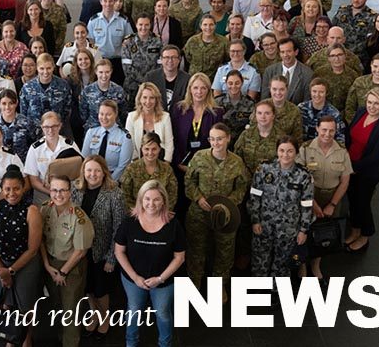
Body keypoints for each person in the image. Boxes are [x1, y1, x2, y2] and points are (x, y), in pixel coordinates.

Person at [115, 179, 185, 347]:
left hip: (164, 281)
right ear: (141, 199)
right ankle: (131, 343)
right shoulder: (129, 222)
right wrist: (135, 277)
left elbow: (179, 257)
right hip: (133, 279)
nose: (151, 203)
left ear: (163, 201)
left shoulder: (173, 225)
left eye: (156, 199)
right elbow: (119, 251)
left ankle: (165, 344)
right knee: (133, 311)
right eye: (147, 199)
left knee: (162, 313)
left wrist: (160, 279)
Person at [185, 124, 249, 298]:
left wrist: (229, 203)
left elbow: (242, 187)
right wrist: (198, 198)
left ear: (228, 138)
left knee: (225, 251)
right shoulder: (199, 157)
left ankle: (219, 285)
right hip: (199, 213)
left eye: (219, 138)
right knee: (196, 250)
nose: (216, 143)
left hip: (226, 216)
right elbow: (189, 182)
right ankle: (194, 284)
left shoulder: (236, 162)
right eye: (212, 139)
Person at [0, 166, 42, 347]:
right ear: (2, 188)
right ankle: (10, 337)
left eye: (16, 188)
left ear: (23, 188)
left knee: (25, 306)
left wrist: (11, 270)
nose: (12, 193)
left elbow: (33, 249)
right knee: (6, 303)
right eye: (7, 189)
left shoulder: (31, 210)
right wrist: (2, 270)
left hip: (25, 264)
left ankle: (26, 338)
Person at [70, 156, 125, 340]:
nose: (92, 174)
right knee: (88, 289)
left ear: (104, 172)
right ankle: (94, 315)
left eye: (96, 171)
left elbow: (119, 228)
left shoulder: (114, 193)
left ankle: (105, 318)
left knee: (101, 290)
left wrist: (112, 257)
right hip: (80, 251)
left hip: (102, 252)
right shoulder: (75, 190)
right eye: (89, 170)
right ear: (83, 172)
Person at [40, 175, 95, 347]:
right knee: (56, 305)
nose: (58, 194)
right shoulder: (45, 209)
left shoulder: (79, 217)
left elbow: (81, 251)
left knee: (70, 311)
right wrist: (47, 266)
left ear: (70, 192)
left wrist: (63, 272)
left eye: (62, 190)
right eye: (54, 190)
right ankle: (60, 338)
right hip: (50, 265)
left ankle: (70, 343)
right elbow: (40, 239)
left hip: (71, 268)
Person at [296, 116, 353, 280]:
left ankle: (315, 265)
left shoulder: (342, 151)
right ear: (317, 129)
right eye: (324, 130)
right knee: (303, 231)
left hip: (331, 197)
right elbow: (300, 178)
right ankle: (302, 266)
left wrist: (332, 204)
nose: (327, 134)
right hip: (308, 197)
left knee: (324, 233)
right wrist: (312, 204)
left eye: (331, 130)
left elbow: (345, 181)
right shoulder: (305, 149)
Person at [248, 136, 314, 278]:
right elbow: (254, 196)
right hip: (264, 224)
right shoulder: (264, 169)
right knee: (260, 259)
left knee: (282, 262)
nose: (285, 155)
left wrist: (303, 230)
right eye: (282, 150)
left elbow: (307, 205)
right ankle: (259, 290)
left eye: (290, 151)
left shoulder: (303, 175)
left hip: (288, 228)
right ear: (277, 151)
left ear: (296, 153)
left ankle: (277, 292)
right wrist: (255, 220)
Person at [345, 88, 379, 252]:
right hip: (350, 166)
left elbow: (376, 155)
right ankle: (355, 230)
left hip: (367, 172)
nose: (372, 107)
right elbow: (349, 136)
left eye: (376, 103)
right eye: (369, 102)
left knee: (363, 204)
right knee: (352, 200)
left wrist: (354, 168)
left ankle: (365, 236)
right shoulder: (360, 113)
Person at [170, 74, 225, 219]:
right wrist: (179, 163)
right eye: (195, 88)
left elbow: (219, 142)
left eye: (203, 88)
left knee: (202, 209)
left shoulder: (217, 112)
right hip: (181, 166)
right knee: (181, 208)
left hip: (207, 169)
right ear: (190, 89)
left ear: (208, 90)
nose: (199, 92)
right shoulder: (179, 109)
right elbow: (173, 138)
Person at [24, 112, 82, 203]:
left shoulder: (70, 146)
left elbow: (80, 172)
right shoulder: (35, 149)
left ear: (60, 126)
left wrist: (62, 193)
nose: (50, 130)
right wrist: (52, 192)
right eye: (46, 127)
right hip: (43, 195)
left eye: (54, 126)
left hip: (67, 195)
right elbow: (34, 180)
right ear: (42, 127)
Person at [120, 132, 178, 210]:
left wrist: (163, 213)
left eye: (154, 149)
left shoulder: (167, 169)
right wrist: (137, 212)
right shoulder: (131, 169)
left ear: (159, 149)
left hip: (160, 213)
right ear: (141, 149)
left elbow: (172, 196)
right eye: (146, 149)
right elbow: (125, 195)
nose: (150, 153)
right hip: (136, 213)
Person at [88, 0, 134, 84]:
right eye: (105, 1)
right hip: (100, 61)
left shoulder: (123, 20)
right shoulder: (93, 20)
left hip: (117, 62)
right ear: (101, 2)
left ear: (114, 2)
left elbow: (130, 38)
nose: (108, 4)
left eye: (110, 1)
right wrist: (96, 58)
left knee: (117, 91)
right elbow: (90, 42)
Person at [81, 99, 134, 180]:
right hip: (91, 178)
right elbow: (85, 159)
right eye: (101, 114)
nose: (104, 118)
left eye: (108, 114)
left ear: (115, 114)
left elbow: (123, 166)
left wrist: (108, 181)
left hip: (113, 179)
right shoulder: (91, 132)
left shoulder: (124, 137)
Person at [0, 89, 39, 161]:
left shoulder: (27, 123)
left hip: (22, 165)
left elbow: (34, 147)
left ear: (16, 103)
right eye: (4, 103)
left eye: (11, 103)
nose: (7, 107)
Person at [20, 53, 73, 127]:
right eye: (42, 68)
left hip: (56, 130)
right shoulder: (27, 87)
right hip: (34, 131)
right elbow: (23, 112)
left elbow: (67, 110)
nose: (45, 72)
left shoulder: (63, 86)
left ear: (53, 67)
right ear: (37, 68)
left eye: (48, 68)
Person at [121, 15, 163, 106]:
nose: (143, 28)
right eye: (140, 24)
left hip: (152, 85)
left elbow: (160, 65)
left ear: (150, 25)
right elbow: (127, 68)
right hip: (132, 86)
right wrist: (144, 81)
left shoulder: (157, 41)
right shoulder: (128, 42)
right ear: (136, 25)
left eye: (146, 25)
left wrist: (149, 81)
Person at [126, 82, 174, 162]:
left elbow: (169, 144)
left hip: (161, 163)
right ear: (140, 99)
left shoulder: (165, 117)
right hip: (137, 163)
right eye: (145, 97)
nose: (148, 101)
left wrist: (166, 164)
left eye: (152, 98)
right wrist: (137, 164)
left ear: (156, 100)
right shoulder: (131, 117)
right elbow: (129, 144)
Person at [332, 0, 377, 66]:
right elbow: (333, 28)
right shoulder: (342, 10)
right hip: (339, 55)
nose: (356, 0)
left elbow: (373, 40)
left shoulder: (372, 16)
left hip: (359, 59)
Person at [234, 100, 281, 177]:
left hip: (271, 181)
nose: (263, 116)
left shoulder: (281, 137)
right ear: (255, 115)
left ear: (273, 115)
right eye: (259, 113)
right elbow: (236, 159)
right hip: (246, 180)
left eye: (267, 113)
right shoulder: (246, 135)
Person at [261, 38, 313, 105]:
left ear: (296, 52)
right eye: (282, 52)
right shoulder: (270, 71)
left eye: (289, 51)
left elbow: (307, 102)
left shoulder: (307, 74)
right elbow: (264, 100)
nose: (285, 55)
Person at [80, 59, 127, 128]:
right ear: (96, 72)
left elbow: (123, 113)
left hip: (114, 129)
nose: (104, 75)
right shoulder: (87, 91)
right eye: (101, 72)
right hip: (93, 129)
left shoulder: (119, 90)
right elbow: (83, 114)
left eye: (107, 72)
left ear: (111, 71)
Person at [142, 45, 190, 112]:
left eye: (173, 57)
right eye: (166, 57)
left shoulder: (187, 79)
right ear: (161, 60)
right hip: (156, 117)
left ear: (179, 59)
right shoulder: (150, 78)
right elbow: (142, 101)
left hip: (179, 118)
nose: (170, 60)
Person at [298, 78, 346, 144]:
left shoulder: (334, 113)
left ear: (326, 93)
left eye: (321, 92)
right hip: (303, 148)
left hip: (324, 149)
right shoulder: (301, 108)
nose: (317, 95)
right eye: (314, 91)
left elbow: (340, 139)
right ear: (310, 92)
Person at [314, 44, 361, 112]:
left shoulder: (353, 75)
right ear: (328, 58)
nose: (337, 59)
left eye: (340, 55)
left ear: (345, 56)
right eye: (333, 56)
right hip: (322, 111)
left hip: (344, 113)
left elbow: (354, 101)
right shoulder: (319, 73)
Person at [215, 70, 257, 145]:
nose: (233, 86)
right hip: (221, 142)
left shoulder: (250, 104)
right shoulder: (217, 102)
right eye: (230, 83)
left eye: (237, 83)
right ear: (226, 84)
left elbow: (253, 126)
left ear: (242, 83)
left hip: (243, 143)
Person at [257, 76, 303, 141]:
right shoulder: (261, 106)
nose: (278, 93)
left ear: (287, 89)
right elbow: (252, 130)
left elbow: (297, 138)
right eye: (274, 89)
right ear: (270, 89)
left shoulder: (294, 111)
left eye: (282, 89)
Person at [183, 14, 228, 80]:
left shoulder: (223, 42)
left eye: (211, 25)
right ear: (201, 26)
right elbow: (188, 57)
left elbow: (227, 59)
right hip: (194, 78)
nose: (208, 28)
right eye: (205, 25)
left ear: (215, 26)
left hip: (214, 79)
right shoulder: (192, 41)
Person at [65, 49, 97, 144]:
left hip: (94, 114)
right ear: (76, 62)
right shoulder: (70, 79)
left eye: (86, 59)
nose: (83, 62)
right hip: (77, 116)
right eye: (80, 59)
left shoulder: (98, 76)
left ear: (91, 60)